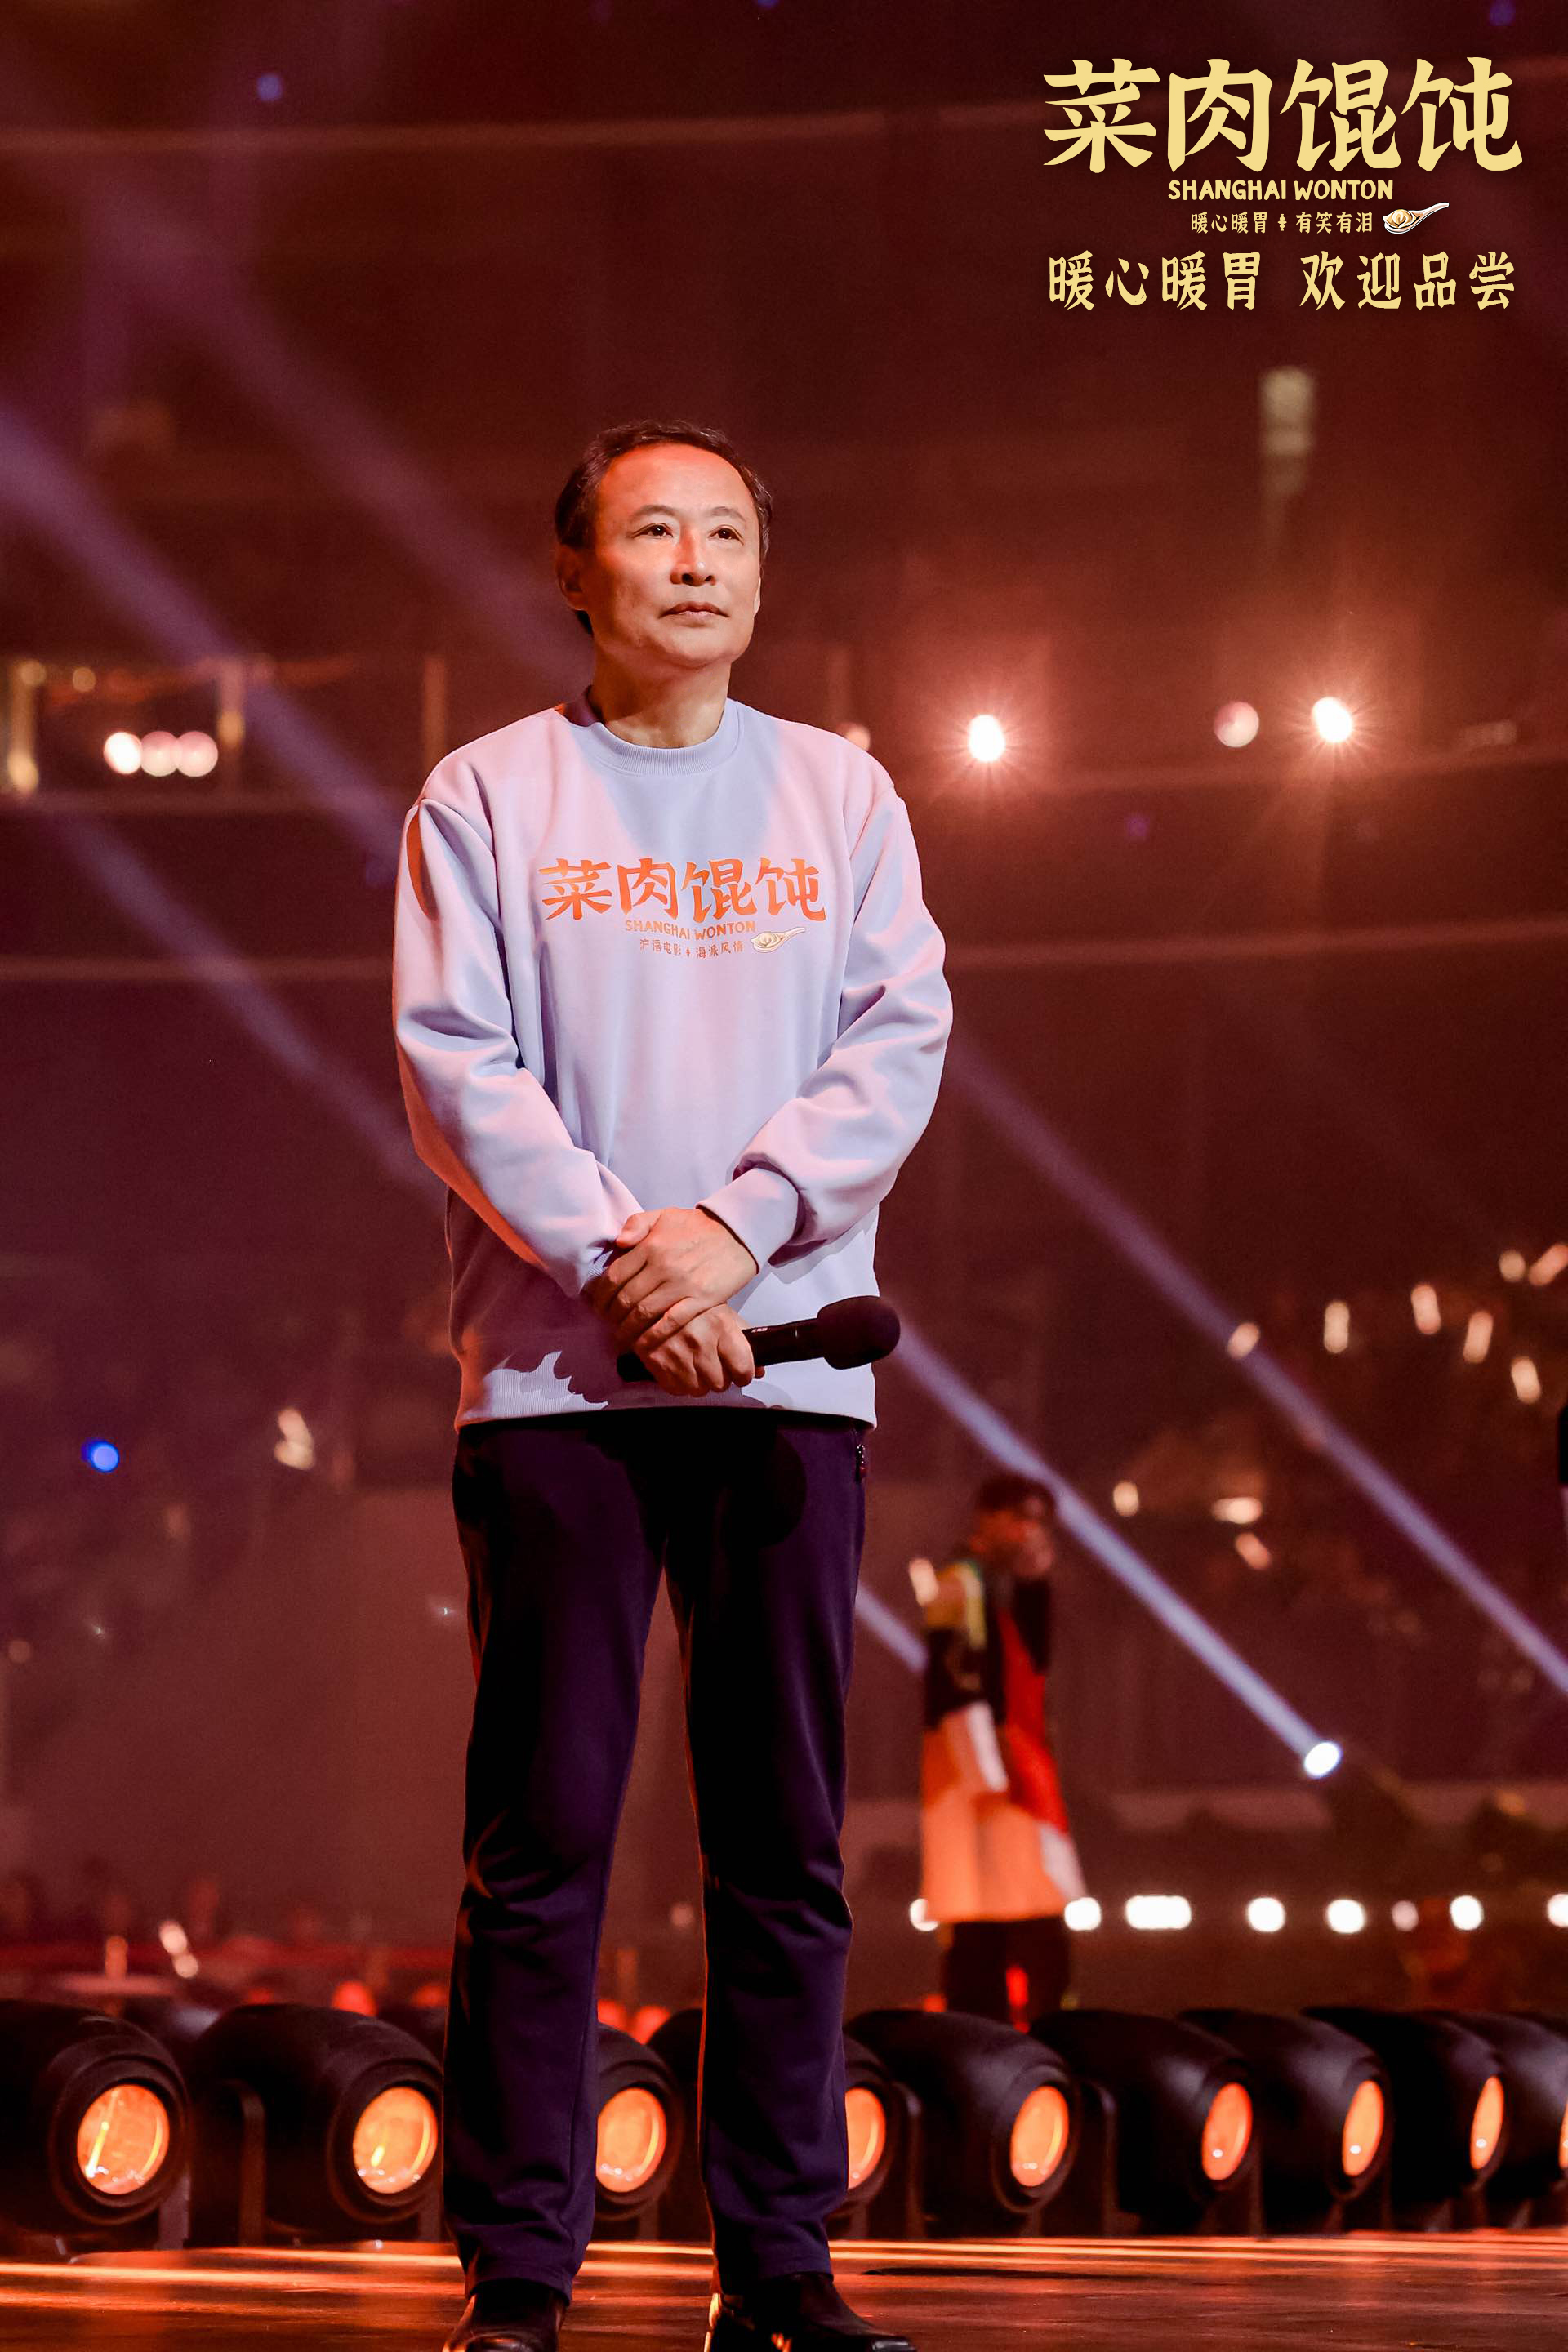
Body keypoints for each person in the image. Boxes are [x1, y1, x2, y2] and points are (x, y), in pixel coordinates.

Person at [391, 418, 952, 2352]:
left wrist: (738, 1231)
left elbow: (897, 1041)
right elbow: (458, 1068)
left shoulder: (840, 795)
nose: (696, 561)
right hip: (559, 1388)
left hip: (790, 1380)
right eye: (654, 530)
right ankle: (518, 2271)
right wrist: (625, 1264)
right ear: (576, 574)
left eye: (727, 532)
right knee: (539, 1848)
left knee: (784, 1850)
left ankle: (778, 2266)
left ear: (763, 578)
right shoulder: (486, 793)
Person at [915, 1474, 1085, 2027]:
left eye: (1038, 1522)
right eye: (1020, 1517)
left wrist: (1036, 1587)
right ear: (986, 1518)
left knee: (1029, 1918)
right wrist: (988, 1774)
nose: (1029, 1532)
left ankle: (1042, 2039)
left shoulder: (1004, 1584)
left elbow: (1035, 1665)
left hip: (1018, 1773)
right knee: (987, 1927)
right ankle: (991, 2045)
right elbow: (953, 1684)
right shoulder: (959, 1583)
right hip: (985, 1780)